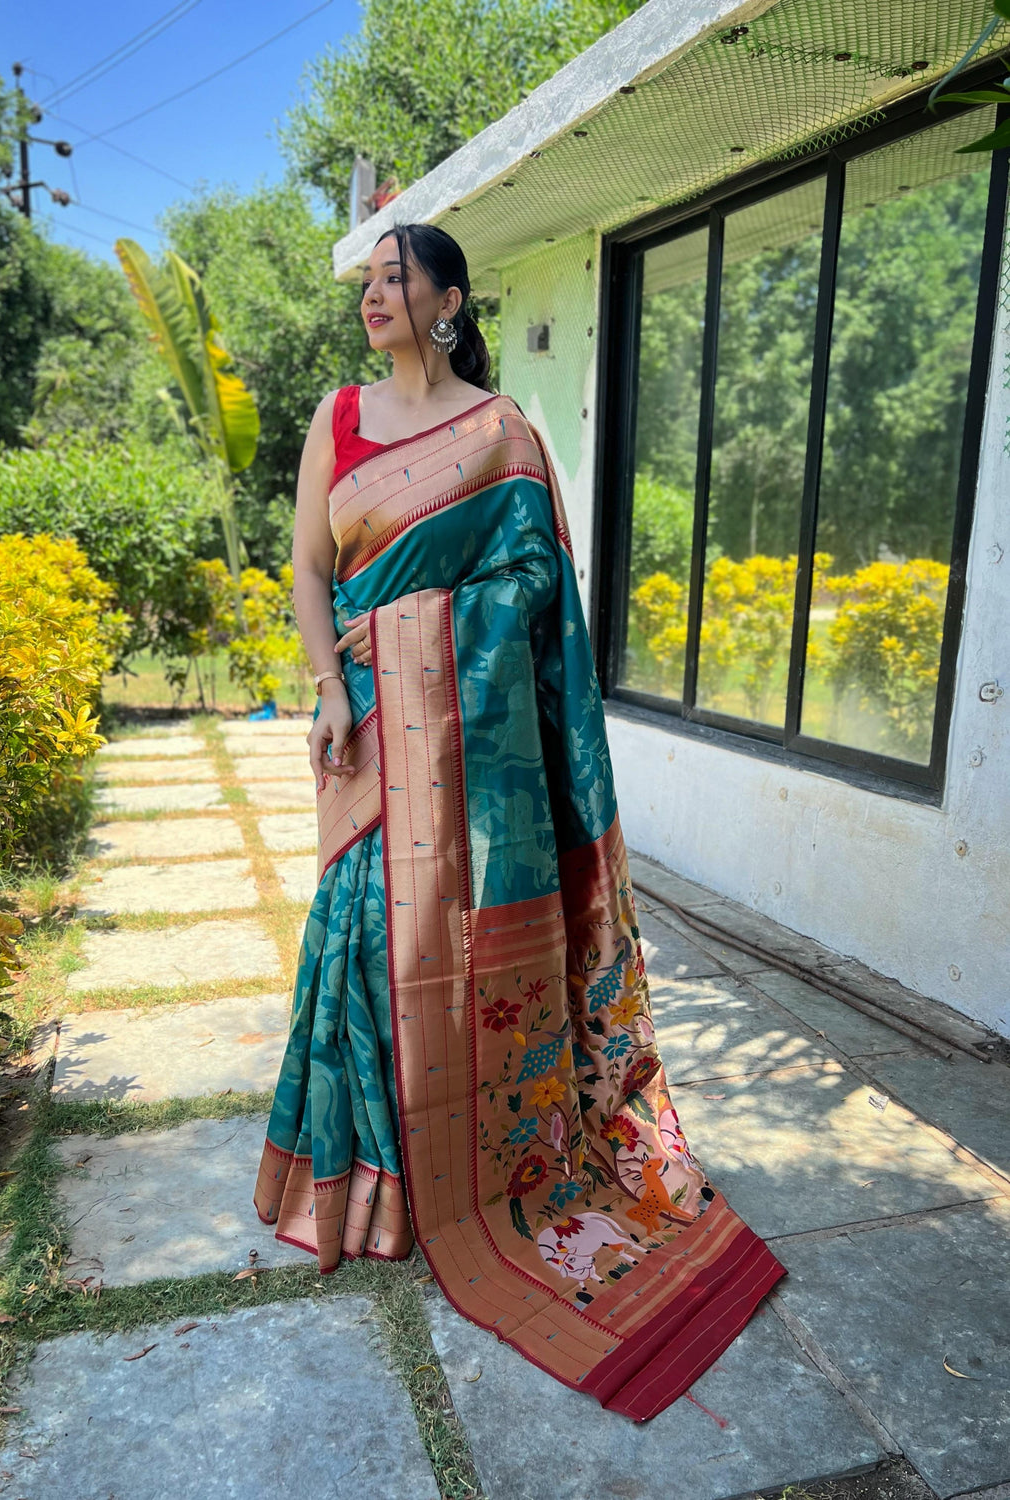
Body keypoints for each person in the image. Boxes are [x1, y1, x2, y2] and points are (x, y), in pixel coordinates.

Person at [253, 221, 784, 1420]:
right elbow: (304, 568)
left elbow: (541, 591)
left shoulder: (501, 432)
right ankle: (373, 1184)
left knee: (452, 951)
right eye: (370, 281)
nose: (374, 297)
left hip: (471, 744)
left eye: (398, 279)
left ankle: (468, 1177)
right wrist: (335, 685)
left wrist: (453, 632)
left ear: (446, 299)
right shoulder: (335, 419)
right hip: (371, 728)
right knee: (361, 941)